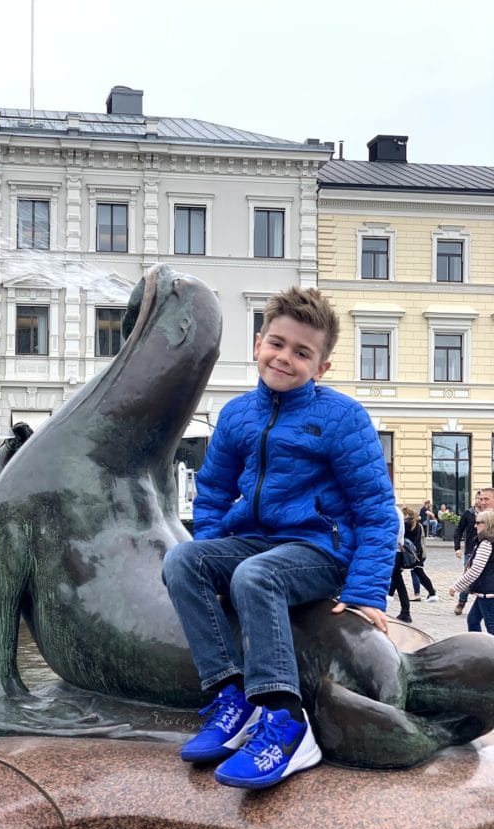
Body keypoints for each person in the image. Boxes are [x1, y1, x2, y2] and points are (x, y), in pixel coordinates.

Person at [162, 286, 398, 791]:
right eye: (277, 343)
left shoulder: (342, 418)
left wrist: (364, 591)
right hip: (253, 542)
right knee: (183, 560)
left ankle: (288, 722)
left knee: (256, 575)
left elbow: (377, 510)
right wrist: (209, 549)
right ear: (257, 344)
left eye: (302, 352)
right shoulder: (236, 415)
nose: (285, 357)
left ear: (322, 367)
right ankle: (233, 699)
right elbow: (214, 492)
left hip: (319, 550)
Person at [449, 508, 494, 634]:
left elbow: (475, 570)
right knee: (473, 620)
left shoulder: (486, 543)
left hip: (488, 593)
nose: (475, 525)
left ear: (488, 524)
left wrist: (456, 587)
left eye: (478, 523)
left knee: (491, 626)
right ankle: (479, 649)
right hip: (484, 591)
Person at [453, 489, 494, 615]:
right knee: (471, 574)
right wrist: (457, 547)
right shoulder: (469, 513)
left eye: (486, 499)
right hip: (472, 550)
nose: (482, 502)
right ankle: (462, 601)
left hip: (486, 552)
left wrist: (454, 587)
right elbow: (459, 530)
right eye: (480, 499)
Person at [402, 506, 437, 602]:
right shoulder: (417, 524)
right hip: (418, 553)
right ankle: (431, 592)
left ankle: (429, 592)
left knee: (418, 574)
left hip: (412, 554)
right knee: (419, 573)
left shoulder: (407, 525)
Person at [388, 505, 413, 622]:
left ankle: (405, 611)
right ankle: (405, 611)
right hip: (395, 550)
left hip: (393, 551)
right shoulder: (395, 510)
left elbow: (395, 532)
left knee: (392, 580)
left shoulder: (392, 510)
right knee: (398, 581)